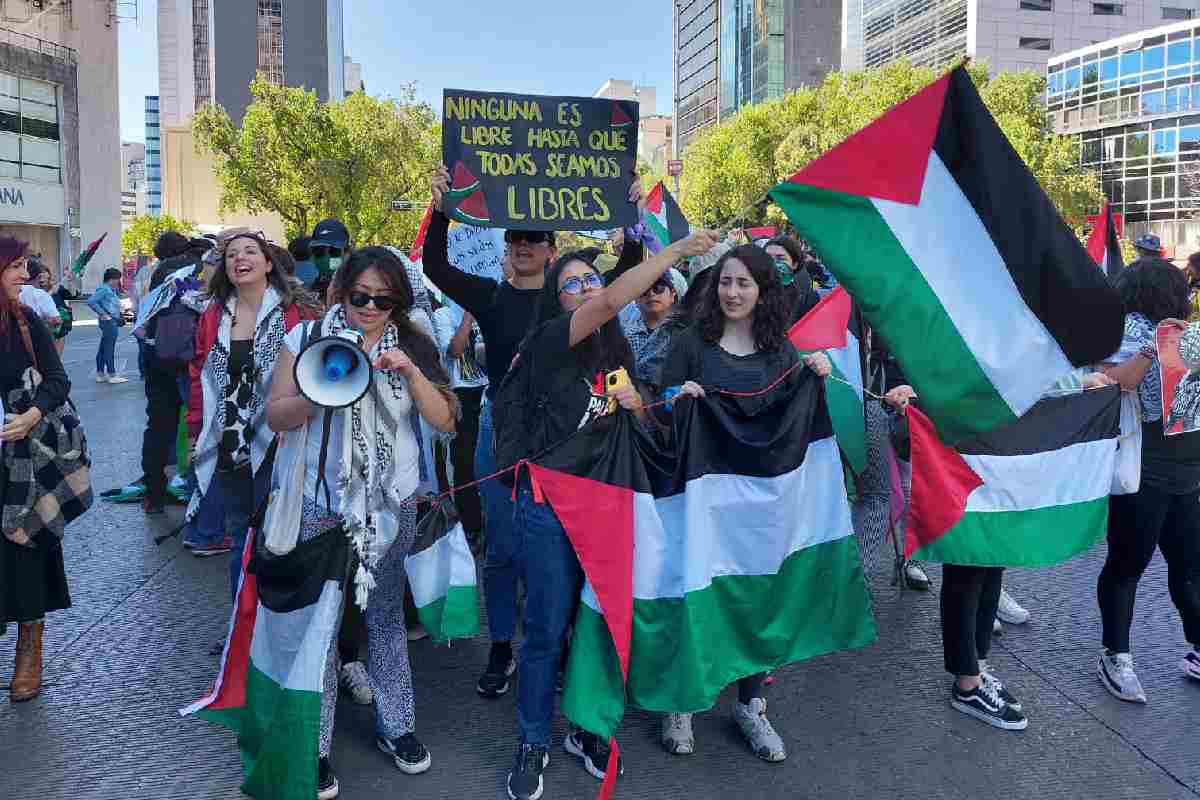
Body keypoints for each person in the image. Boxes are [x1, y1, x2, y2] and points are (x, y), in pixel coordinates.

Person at [500, 229, 718, 800]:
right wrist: (672, 254)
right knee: (546, 630)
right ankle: (532, 740)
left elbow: (642, 430)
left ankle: (586, 728)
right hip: (549, 512)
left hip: (608, 509)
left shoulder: (617, 356)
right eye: (570, 283)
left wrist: (641, 405)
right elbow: (612, 303)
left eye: (590, 279)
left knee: (595, 625)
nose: (585, 289)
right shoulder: (550, 340)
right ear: (557, 299)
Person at [267, 246, 457, 799]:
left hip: (391, 506)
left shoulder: (415, 343)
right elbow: (275, 413)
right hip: (320, 502)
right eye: (360, 297)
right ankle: (314, 744)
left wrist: (413, 375)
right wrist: (318, 389)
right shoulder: (304, 341)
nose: (371, 307)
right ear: (341, 291)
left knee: (386, 623)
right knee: (320, 629)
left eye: (384, 299)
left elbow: (447, 421)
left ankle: (397, 727)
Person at [655, 244, 831, 762]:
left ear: (762, 292)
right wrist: (675, 399)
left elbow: (789, 422)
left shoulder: (782, 352)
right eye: (725, 282)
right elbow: (662, 411)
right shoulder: (691, 344)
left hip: (761, 506)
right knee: (694, 592)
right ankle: (683, 701)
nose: (732, 293)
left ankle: (751, 704)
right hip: (701, 499)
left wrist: (814, 374)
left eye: (744, 284)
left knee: (757, 599)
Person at [427, 165, 557, 699]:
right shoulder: (490, 296)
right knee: (501, 551)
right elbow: (435, 263)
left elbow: (621, 285)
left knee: (552, 553)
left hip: (559, 441)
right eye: (515, 237)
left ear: (553, 248)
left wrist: (636, 224)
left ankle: (552, 645)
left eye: (534, 237)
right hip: (498, 436)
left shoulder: (569, 300)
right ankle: (503, 645)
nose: (522, 244)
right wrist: (439, 209)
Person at [187, 231, 313, 604]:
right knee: (240, 530)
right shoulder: (213, 315)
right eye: (231, 255)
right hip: (229, 440)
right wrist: (195, 428)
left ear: (268, 263)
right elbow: (199, 375)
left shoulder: (296, 312)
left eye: (250, 251)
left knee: (281, 532)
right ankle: (239, 630)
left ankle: (278, 625)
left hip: (282, 438)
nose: (239, 259)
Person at [1098, 259, 1200, 701]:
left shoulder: (1190, 336)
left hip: (1190, 475)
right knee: (1127, 566)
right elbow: (1110, 383)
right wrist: (1150, 351)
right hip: (1143, 471)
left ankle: (1196, 647)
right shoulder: (1127, 335)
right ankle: (1115, 654)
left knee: (1189, 570)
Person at [0, 236, 72, 702]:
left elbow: (59, 381)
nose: (26, 276)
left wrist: (32, 414)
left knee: (24, 548)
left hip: (23, 459)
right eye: (16, 268)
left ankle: (30, 646)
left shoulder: (26, 321)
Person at [431, 304, 487, 545]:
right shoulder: (443, 315)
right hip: (463, 395)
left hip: (490, 389)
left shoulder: (489, 303)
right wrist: (466, 319)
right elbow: (453, 351)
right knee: (464, 462)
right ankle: (471, 526)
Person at [620, 266, 687, 395]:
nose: (651, 294)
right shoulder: (623, 336)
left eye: (658, 288)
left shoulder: (687, 332)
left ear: (672, 294)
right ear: (635, 299)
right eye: (644, 290)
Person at [763, 235, 820, 322]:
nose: (773, 264)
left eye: (780, 258)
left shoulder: (806, 300)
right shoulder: (752, 295)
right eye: (767, 258)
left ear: (794, 264)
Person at [86, 268, 127, 384]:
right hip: (109, 321)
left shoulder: (109, 289)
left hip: (108, 320)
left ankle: (100, 373)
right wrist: (103, 313)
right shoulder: (105, 289)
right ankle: (112, 374)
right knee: (109, 348)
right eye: (117, 279)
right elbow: (91, 301)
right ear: (112, 279)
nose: (118, 281)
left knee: (103, 347)